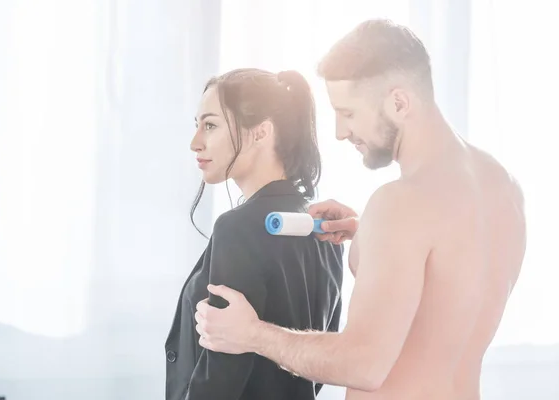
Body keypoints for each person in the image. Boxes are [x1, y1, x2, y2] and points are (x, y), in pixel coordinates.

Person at [194, 19, 527, 399]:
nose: (339, 131)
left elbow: (362, 364)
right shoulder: (502, 186)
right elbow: (447, 275)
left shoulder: (400, 204)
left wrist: (252, 333)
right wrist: (368, 230)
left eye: (349, 113)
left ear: (399, 102)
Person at [164, 68, 345, 400]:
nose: (195, 142)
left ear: (261, 132)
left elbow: (217, 380)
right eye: (197, 125)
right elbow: (315, 366)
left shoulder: (238, 229)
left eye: (211, 125)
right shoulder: (326, 230)